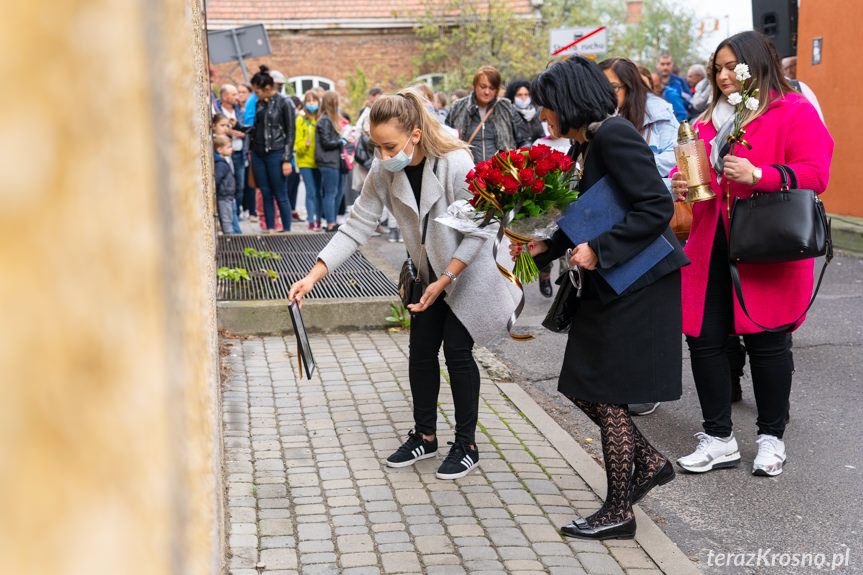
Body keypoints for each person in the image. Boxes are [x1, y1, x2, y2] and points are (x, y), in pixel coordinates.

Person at [288, 89, 520, 479]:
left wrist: (448, 277)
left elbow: (485, 227)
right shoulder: (383, 170)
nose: (381, 156)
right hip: (427, 272)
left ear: (414, 134)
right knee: (421, 353)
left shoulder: (456, 162)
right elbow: (357, 225)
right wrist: (314, 275)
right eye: (375, 146)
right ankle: (425, 436)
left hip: (468, 269)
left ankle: (467, 445)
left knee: (458, 353)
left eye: (389, 146)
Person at [520, 56, 688, 540]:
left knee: (604, 389)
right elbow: (596, 212)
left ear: (567, 99)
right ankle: (650, 462)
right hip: (614, 280)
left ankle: (619, 511)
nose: (541, 114)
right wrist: (549, 245)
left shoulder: (614, 136)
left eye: (546, 104)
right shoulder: (590, 143)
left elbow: (655, 206)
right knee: (580, 382)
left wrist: (600, 250)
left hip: (637, 281)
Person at [672, 31, 833, 477]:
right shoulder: (707, 119)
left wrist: (760, 173)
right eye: (717, 68)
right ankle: (719, 438)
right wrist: (680, 182)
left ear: (756, 65)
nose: (723, 77)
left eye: (730, 67)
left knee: (767, 343)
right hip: (710, 243)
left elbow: (816, 174)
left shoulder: (792, 109)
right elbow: (695, 170)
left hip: (767, 246)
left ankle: (770, 439)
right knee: (704, 341)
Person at [599, 57, 680, 417]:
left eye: (613, 87)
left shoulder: (659, 113)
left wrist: (633, 162)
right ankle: (625, 379)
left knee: (646, 304)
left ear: (630, 88)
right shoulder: (601, 121)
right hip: (615, 215)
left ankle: (647, 385)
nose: (607, 93)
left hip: (650, 213)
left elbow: (673, 157)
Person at [243, 65, 296, 233]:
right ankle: (271, 228)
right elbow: (255, 128)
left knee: (280, 194)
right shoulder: (260, 103)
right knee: (265, 192)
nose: (255, 95)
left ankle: (287, 229)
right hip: (259, 154)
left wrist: (287, 159)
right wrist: (237, 127)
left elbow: (290, 133)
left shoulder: (285, 103)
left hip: (277, 153)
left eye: (256, 91)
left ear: (267, 88)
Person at [447, 66, 520, 163]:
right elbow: (446, 139)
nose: (487, 92)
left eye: (492, 88)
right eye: (483, 87)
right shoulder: (458, 107)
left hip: (500, 171)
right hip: (467, 171)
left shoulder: (506, 107)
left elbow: (523, 138)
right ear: (474, 86)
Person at [315, 90, 345, 232]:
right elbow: (326, 142)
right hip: (328, 162)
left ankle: (332, 220)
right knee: (331, 193)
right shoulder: (325, 120)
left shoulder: (329, 120)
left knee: (338, 192)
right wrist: (341, 141)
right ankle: (331, 223)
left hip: (334, 162)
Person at [296, 90, 323, 231]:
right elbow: (297, 142)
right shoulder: (301, 120)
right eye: (309, 101)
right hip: (304, 161)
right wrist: (303, 145)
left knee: (319, 192)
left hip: (319, 160)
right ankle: (311, 221)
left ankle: (319, 219)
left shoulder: (321, 119)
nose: (312, 104)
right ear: (305, 103)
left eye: (314, 101)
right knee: (311, 191)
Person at [213, 135, 238, 234]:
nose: (231, 149)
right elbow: (217, 179)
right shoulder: (220, 164)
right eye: (228, 147)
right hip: (224, 196)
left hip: (226, 196)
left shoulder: (222, 162)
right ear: (219, 149)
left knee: (228, 217)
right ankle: (229, 237)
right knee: (227, 218)